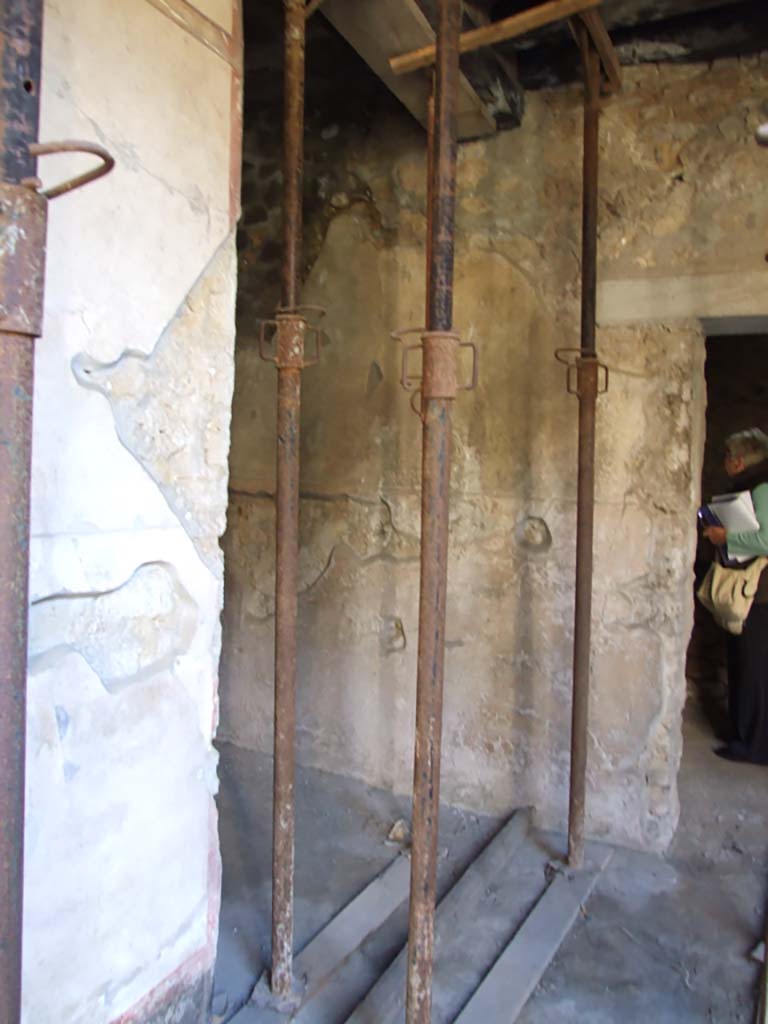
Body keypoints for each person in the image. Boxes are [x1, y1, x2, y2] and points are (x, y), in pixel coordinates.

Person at [703, 427, 768, 764]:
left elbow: (767, 541)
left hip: (760, 595)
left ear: (739, 460)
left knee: (754, 668)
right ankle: (744, 733)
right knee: (745, 663)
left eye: (727, 457)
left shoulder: (763, 490)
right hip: (755, 594)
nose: (725, 463)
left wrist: (724, 536)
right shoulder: (754, 487)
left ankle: (754, 744)